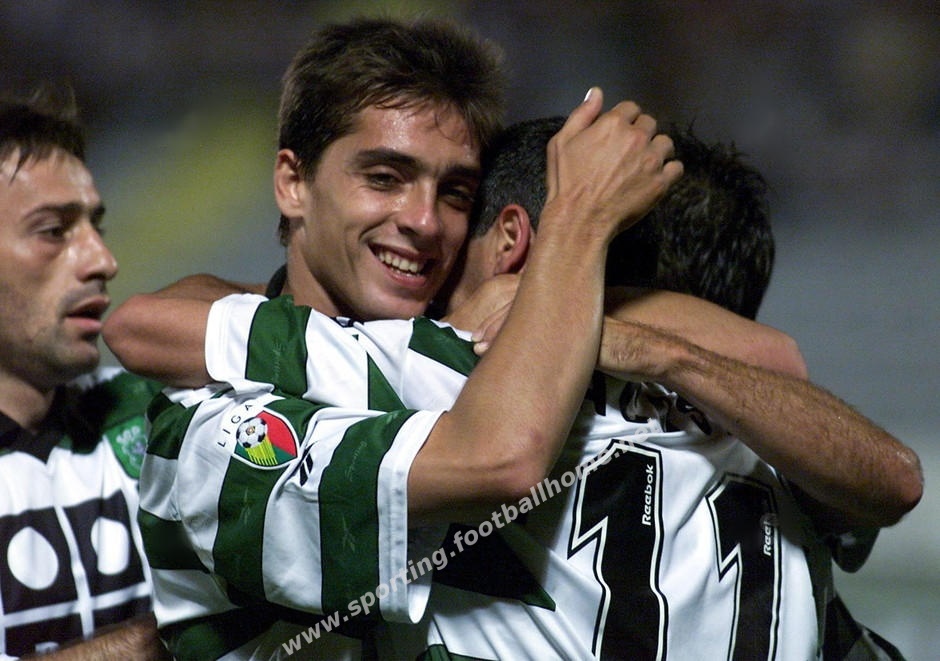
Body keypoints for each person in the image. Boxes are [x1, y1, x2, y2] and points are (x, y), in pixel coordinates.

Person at [107, 114, 921, 659]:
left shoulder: (448, 368)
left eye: (459, 210)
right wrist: (663, 352)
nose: (429, 248)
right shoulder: (765, 432)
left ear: (512, 241)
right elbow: (879, 464)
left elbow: (148, 323)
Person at [104, 17, 683, 659]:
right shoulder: (216, 427)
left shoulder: (475, 349)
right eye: (384, 178)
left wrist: (648, 345)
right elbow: (501, 458)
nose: (425, 221)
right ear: (293, 184)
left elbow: (749, 349)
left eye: (455, 192)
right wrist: (579, 219)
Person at [0, 87, 167, 658]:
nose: (103, 261)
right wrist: (170, 640)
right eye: (54, 230)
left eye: (97, 227)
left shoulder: (150, 418)